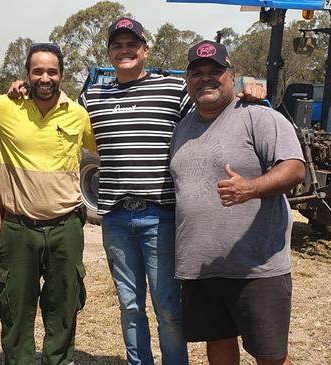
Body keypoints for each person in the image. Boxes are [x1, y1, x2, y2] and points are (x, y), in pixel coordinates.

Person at [77, 18, 265, 365]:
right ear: (108, 53)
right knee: (130, 304)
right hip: (115, 217)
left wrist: (247, 94)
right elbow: (55, 116)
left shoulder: (173, 90)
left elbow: (214, 109)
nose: (125, 51)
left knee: (167, 304)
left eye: (132, 44)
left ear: (145, 50)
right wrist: (22, 90)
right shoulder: (91, 97)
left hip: (159, 215)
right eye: (117, 46)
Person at [169, 40, 305, 365]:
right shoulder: (181, 129)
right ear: (188, 81)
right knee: (218, 347)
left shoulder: (258, 117)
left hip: (256, 268)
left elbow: (295, 167)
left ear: (231, 75)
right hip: (201, 267)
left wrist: (252, 188)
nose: (206, 78)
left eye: (215, 71)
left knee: (270, 356)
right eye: (197, 72)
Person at [0, 43, 96, 365]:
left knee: (64, 307)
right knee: (14, 308)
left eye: (52, 71)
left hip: (66, 228)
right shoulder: (3, 107)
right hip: (18, 228)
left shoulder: (79, 115)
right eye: (37, 70)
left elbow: (108, 146)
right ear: (26, 74)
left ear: (61, 75)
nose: (45, 77)